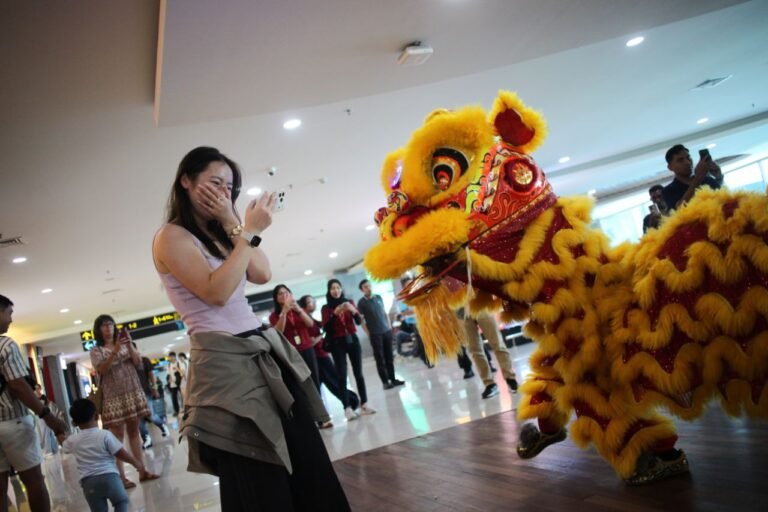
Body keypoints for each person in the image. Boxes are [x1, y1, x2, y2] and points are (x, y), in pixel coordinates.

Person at [152, 146, 349, 510]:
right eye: (215, 183)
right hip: (225, 364)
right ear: (186, 181)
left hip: (261, 350)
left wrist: (233, 221)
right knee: (259, 470)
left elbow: (262, 272)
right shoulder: (171, 236)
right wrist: (249, 231)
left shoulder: (222, 232)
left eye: (229, 187)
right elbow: (216, 292)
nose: (223, 192)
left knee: (306, 458)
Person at [0, 294, 67, 512]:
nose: (11, 319)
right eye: (8, 313)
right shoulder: (5, 345)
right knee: (34, 480)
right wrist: (48, 416)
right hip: (13, 422)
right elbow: (18, 385)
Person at [89, 315, 159, 489]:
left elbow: (138, 364)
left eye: (110, 324)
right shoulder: (96, 350)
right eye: (104, 325)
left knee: (134, 431)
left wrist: (129, 345)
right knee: (117, 436)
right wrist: (115, 351)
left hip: (132, 390)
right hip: (113, 396)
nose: (108, 328)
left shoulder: (127, 344)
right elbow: (102, 370)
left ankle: (142, 471)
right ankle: (121, 478)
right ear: (98, 329)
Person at [63, 399, 148, 512]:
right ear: (97, 416)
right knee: (121, 501)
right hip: (110, 477)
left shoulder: (73, 440)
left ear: (74, 423)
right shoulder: (105, 435)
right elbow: (120, 452)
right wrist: (135, 462)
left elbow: (63, 445)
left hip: (89, 483)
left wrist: (58, 432)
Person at [321, 279, 376, 421]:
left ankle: (364, 404)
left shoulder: (349, 302)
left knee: (359, 373)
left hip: (352, 340)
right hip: (337, 343)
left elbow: (358, 321)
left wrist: (353, 310)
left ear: (341, 289)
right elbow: (326, 328)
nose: (336, 291)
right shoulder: (326, 308)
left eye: (338, 287)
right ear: (329, 291)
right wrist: (335, 313)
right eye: (333, 288)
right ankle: (347, 408)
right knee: (341, 376)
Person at [298, 296, 360, 413]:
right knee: (332, 381)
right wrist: (320, 336)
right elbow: (311, 340)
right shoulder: (304, 319)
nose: (313, 304)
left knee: (332, 381)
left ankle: (351, 401)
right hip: (317, 356)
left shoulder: (310, 317)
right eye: (310, 302)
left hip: (321, 353)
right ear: (304, 305)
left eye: (313, 301)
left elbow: (322, 327)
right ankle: (349, 402)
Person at [357, 279, 405, 390]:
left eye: (369, 286)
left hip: (386, 331)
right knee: (380, 359)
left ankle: (393, 379)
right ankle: (385, 382)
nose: (368, 288)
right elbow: (362, 321)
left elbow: (385, 313)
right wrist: (369, 333)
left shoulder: (378, 297)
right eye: (365, 287)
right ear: (362, 290)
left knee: (389, 357)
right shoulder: (361, 303)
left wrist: (389, 327)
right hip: (375, 334)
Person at [462, 312, 519, 399]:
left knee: (497, 343)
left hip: (481, 306)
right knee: (475, 350)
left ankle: (511, 379)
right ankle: (489, 384)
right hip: (461, 313)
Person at [661, 144, 723, 211]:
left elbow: (724, 199)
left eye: (688, 157)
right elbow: (679, 210)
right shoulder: (668, 190)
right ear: (670, 167)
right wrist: (698, 177)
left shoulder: (708, 180)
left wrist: (719, 177)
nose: (687, 162)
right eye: (680, 160)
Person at [133, 346, 169, 449]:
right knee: (138, 419)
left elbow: (151, 375)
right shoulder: (126, 364)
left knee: (150, 415)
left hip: (145, 392)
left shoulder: (144, 360)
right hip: (132, 396)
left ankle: (161, 425)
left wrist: (154, 388)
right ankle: (146, 439)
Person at [166, 352, 184, 416]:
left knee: (183, 396)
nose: (170, 358)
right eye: (169, 357)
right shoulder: (168, 365)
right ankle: (176, 410)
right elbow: (168, 374)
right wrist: (169, 379)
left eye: (172, 356)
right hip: (173, 384)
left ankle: (185, 408)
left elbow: (182, 372)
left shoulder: (179, 363)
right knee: (174, 397)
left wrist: (178, 369)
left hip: (180, 383)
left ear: (174, 357)